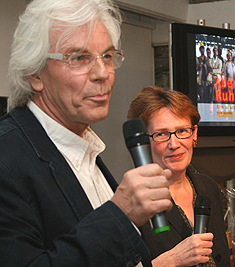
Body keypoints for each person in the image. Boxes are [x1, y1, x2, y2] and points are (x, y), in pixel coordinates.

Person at [1, 0, 172, 266]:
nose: (103, 73)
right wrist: (121, 215)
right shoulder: (7, 159)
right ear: (34, 73)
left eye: (107, 56)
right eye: (79, 58)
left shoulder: (84, 148)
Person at [127, 86, 231, 267]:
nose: (174, 144)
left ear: (194, 134)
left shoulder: (209, 188)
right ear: (145, 142)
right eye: (161, 134)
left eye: (182, 131)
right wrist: (172, 260)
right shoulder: (131, 202)